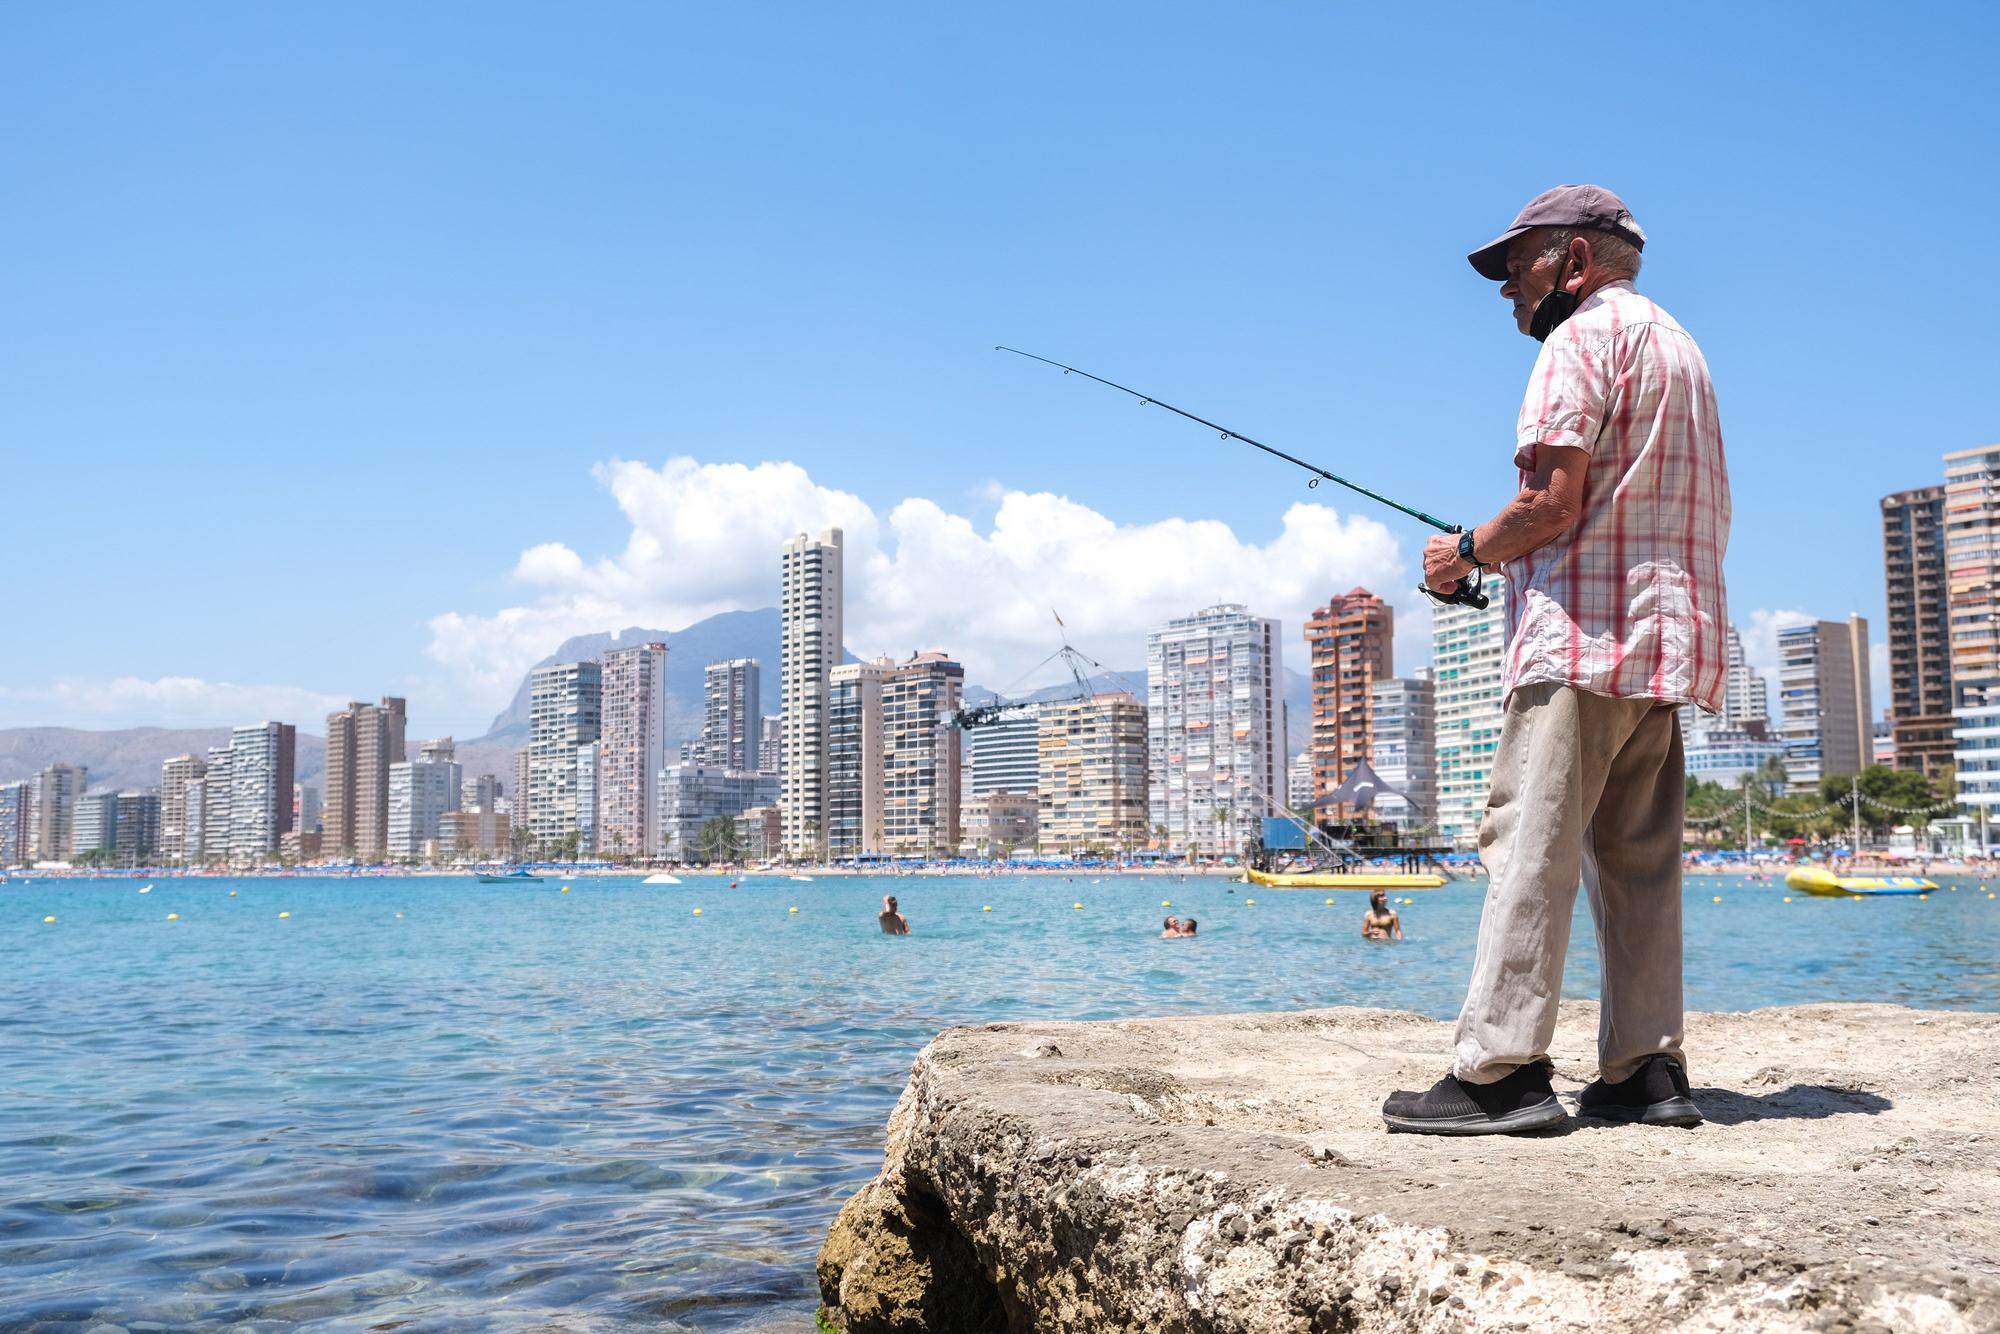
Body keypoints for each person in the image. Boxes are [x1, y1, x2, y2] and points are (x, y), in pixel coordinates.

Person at [1382, 185, 1727, 1136]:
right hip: (1665, 641)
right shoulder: (1681, 349)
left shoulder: (1578, 342)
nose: (1504, 290)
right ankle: (1648, 1068)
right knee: (1641, 861)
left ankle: (1502, 1072)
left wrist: (1466, 556)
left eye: (1515, 266)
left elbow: (1552, 504)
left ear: (1572, 260)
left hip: (1581, 638)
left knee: (1529, 846)